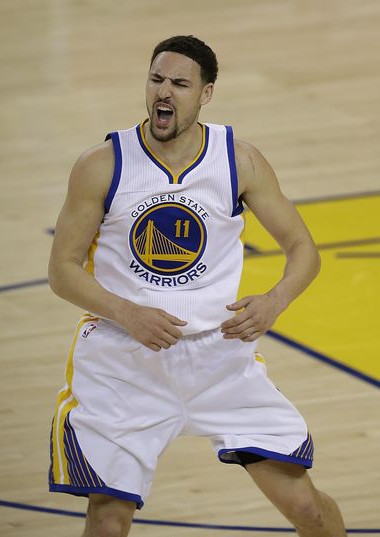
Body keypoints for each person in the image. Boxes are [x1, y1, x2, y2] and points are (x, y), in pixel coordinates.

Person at [48, 35, 346, 537]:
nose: (164, 93)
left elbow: (304, 250)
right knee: (107, 521)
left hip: (219, 359)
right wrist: (128, 313)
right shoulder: (101, 164)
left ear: (206, 93)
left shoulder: (239, 160)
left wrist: (275, 300)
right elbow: (62, 269)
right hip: (125, 363)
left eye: (180, 84)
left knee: (307, 509)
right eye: (156, 80)